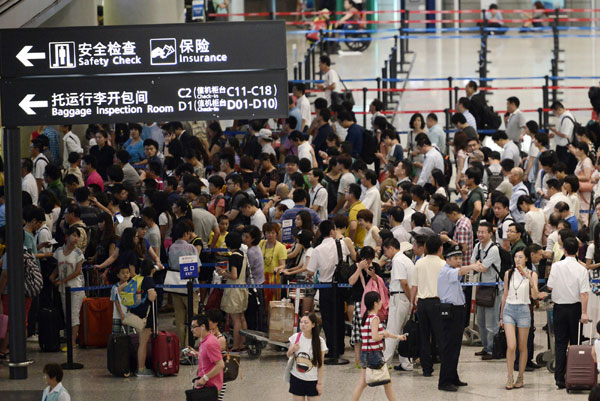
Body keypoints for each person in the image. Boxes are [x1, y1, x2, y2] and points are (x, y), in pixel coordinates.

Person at [437, 245, 484, 392]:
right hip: (450, 312)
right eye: (455, 258)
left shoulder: (452, 272)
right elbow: (461, 270)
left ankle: (453, 376)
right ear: (447, 259)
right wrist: (474, 266)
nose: (458, 261)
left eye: (459, 258)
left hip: (457, 311)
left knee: (455, 347)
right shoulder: (446, 272)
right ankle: (444, 381)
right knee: (449, 347)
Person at [547, 237, 591, 389]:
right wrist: (584, 313)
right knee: (575, 343)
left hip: (559, 308)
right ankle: (574, 375)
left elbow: (550, 286)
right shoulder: (582, 269)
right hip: (575, 309)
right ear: (578, 251)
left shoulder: (556, 266)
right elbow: (584, 293)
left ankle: (559, 378)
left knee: (560, 343)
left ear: (564, 250)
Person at [499, 249, 544, 390]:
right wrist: (501, 315)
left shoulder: (532, 274)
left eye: (520, 257)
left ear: (526, 259)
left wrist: (529, 279)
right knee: (511, 345)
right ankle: (510, 376)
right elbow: (505, 295)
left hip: (524, 310)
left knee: (522, 346)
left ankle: (521, 376)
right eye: (515, 257)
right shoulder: (508, 273)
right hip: (509, 310)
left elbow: (535, 296)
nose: (517, 259)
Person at [351, 291, 406, 401]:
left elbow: (381, 333)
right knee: (387, 382)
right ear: (375, 303)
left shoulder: (366, 318)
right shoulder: (375, 318)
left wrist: (397, 337)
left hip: (366, 353)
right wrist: (383, 335)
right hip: (374, 354)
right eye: (380, 300)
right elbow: (375, 336)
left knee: (362, 382)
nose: (381, 302)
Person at [307, 220, 349, 359]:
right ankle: (341, 347)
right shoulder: (341, 244)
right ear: (332, 231)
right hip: (340, 286)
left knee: (328, 320)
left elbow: (310, 272)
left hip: (325, 288)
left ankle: (332, 349)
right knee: (339, 317)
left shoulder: (317, 249)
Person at [411, 235, 445, 377]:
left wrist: (413, 303)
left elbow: (414, 286)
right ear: (440, 248)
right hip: (438, 303)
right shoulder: (444, 264)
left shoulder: (419, 263)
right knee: (441, 336)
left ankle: (426, 368)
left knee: (424, 336)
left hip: (422, 303)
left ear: (425, 248)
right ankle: (445, 366)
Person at [471, 221, 502, 360]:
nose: (480, 234)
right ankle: (485, 346)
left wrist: (477, 265)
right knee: (481, 321)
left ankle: (492, 350)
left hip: (493, 288)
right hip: (482, 287)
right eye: (479, 231)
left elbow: (482, 267)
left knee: (492, 322)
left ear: (491, 233)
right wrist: (477, 265)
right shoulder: (477, 246)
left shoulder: (494, 249)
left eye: (483, 232)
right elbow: (473, 265)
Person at [50, 227, 85, 351]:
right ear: (67, 236)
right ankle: (70, 340)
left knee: (74, 315)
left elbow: (77, 271)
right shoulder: (59, 251)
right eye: (74, 235)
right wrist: (53, 276)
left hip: (75, 288)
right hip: (63, 288)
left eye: (77, 236)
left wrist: (62, 280)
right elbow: (58, 266)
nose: (75, 238)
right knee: (67, 315)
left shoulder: (78, 253)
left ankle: (73, 342)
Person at [381, 237, 414, 371]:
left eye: (385, 251)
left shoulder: (398, 260)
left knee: (391, 331)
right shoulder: (406, 259)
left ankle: (383, 364)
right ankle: (406, 363)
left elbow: (404, 282)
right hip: (403, 298)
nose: (385, 254)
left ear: (391, 248)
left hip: (400, 296)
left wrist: (410, 298)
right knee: (401, 332)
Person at [167, 221, 199, 347]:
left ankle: (182, 347)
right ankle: (189, 345)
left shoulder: (171, 247)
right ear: (186, 233)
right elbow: (197, 268)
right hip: (189, 286)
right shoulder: (191, 248)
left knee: (179, 318)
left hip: (175, 285)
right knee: (192, 317)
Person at [218, 232, 248, 352]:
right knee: (242, 318)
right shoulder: (242, 254)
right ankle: (243, 342)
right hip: (242, 288)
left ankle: (236, 345)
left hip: (234, 289)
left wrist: (223, 273)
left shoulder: (233, 257)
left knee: (235, 320)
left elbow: (234, 275)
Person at [286, 312, 327, 400]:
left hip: (313, 380)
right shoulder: (295, 337)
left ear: (313, 325)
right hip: (297, 378)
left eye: (306, 322)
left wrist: (319, 383)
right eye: (301, 322)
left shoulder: (320, 342)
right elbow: (288, 355)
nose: (303, 325)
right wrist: (291, 349)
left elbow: (320, 364)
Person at [185, 314, 225, 396]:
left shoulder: (210, 343)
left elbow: (220, 365)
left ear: (203, 326)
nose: (192, 330)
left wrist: (205, 378)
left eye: (194, 327)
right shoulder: (204, 340)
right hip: (204, 384)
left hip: (210, 385)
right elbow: (209, 357)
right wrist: (197, 354)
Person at [110, 265, 133, 335]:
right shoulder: (115, 287)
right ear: (118, 275)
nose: (125, 274)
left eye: (127, 272)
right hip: (117, 315)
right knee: (117, 335)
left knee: (130, 335)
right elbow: (116, 301)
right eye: (123, 273)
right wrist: (121, 315)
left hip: (129, 315)